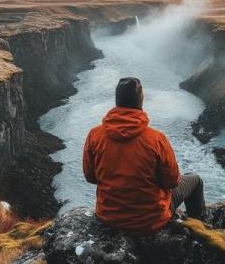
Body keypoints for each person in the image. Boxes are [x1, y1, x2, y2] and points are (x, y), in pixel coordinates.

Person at [83, 77, 205, 235]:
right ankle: (201, 229)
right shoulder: (156, 139)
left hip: (108, 216)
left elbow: (90, 176)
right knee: (195, 180)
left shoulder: (95, 135)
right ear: (140, 102)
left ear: (117, 100)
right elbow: (172, 181)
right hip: (150, 220)